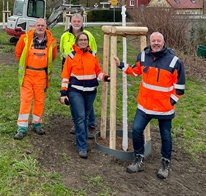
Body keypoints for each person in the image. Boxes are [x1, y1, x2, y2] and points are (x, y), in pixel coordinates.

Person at [114, 32, 185, 179]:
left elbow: (180, 87)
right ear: (150, 42)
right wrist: (121, 65)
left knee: (165, 136)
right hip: (145, 106)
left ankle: (165, 164)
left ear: (164, 42)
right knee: (136, 130)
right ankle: (139, 159)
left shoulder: (174, 62)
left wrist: (171, 101)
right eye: (153, 41)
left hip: (164, 109)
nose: (156, 43)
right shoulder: (143, 56)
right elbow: (135, 71)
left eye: (159, 40)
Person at [60, 32, 110, 159]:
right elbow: (66, 75)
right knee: (80, 117)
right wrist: (63, 93)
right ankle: (82, 146)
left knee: (86, 117)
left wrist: (105, 77)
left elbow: (97, 71)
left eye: (85, 40)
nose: (83, 42)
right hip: (75, 91)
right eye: (81, 40)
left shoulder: (93, 55)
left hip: (90, 91)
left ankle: (82, 135)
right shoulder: (71, 56)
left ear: (88, 42)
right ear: (76, 42)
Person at [14, 18, 57, 140]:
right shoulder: (25, 38)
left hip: (41, 76)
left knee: (39, 101)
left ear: (46, 27)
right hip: (28, 74)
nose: (40, 27)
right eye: (38, 25)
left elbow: (52, 56)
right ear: (34, 26)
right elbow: (18, 53)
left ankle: (37, 124)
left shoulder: (51, 41)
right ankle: (22, 128)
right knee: (26, 100)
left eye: (42, 25)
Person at [60, 13, 98, 137]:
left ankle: (90, 123)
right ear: (71, 22)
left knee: (87, 98)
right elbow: (62, 51)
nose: (76, 23)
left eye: (78, 21)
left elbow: (94, 51)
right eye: (74, 21)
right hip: (70, 68)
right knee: (73, 98)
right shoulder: (65, 35)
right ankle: (76, 123)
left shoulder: (89, 35)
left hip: (86, 71)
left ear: (82, 22)